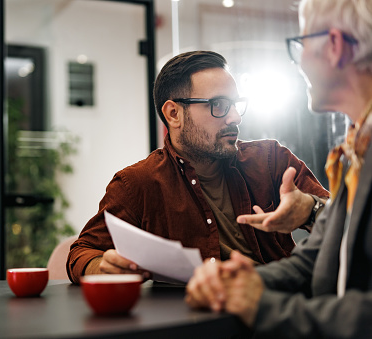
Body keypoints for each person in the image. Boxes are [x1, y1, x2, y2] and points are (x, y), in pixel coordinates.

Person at [185, 0, 372, 337]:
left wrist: (264, 307)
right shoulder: (355, 150)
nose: (298, 60)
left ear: (334, 46)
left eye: (301, 44)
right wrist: (239, 283)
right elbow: (314, 260)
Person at [66, 50, 329, 284]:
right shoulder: (137, 184)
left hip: (276, 314)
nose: (235, 117)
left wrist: (311, 210)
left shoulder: (272, 161)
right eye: (219, 105)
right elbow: (82, 251)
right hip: (191, 321)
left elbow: (350, 222)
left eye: (236, 104)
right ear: (173, 114)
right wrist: (102, 267)